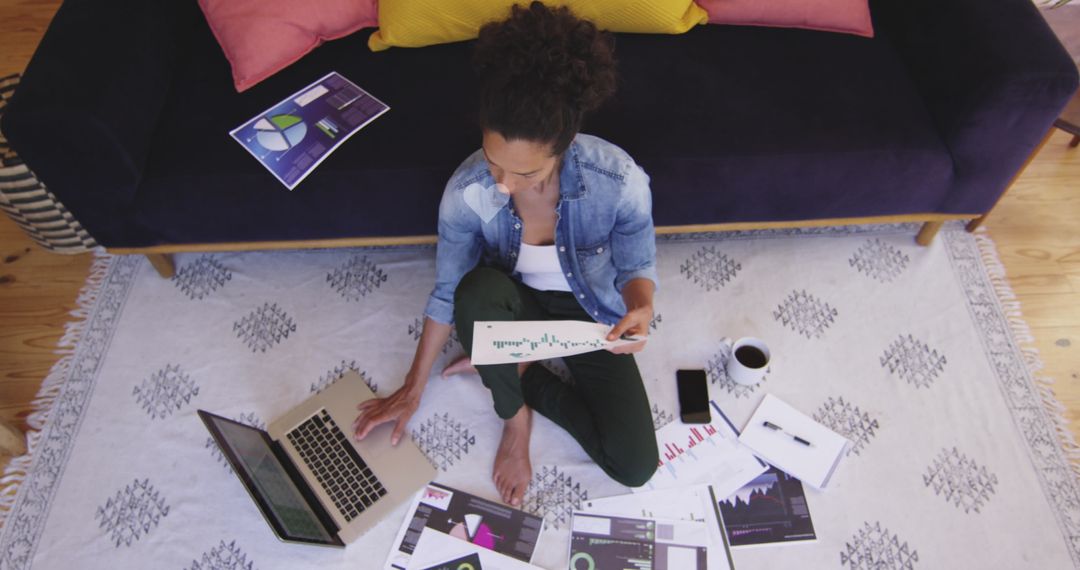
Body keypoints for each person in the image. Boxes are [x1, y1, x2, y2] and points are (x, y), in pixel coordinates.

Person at [352, 1, 659, 507]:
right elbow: (449, 291)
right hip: (509, 305)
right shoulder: (468, 190)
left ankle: (520, 372)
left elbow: (637, 265)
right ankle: (514, 419)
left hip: (590, 314)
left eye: (527, 174)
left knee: (634, 465)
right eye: (495, 161)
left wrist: (640, 306)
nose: (503, 184)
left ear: (564, 144)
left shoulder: (618, 179)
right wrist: (413, 386)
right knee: (477, 293)